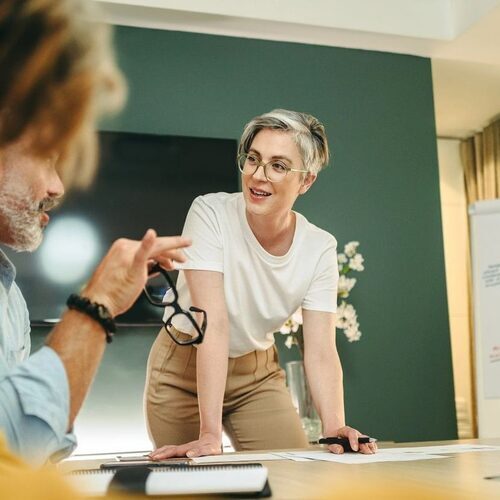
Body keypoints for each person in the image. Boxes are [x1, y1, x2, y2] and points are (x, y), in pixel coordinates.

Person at [0, 0, 191, 466]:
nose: (56, 186)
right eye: (47, 152)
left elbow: (41, 452)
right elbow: (12, 446)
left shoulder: (11, 299)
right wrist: (94, 304)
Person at [145, 109, 377, 459]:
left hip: (257, 375)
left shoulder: (319, 248)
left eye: (279, 165)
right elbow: (213, 321)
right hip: (183, 371)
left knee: (295, 477)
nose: (258, 175)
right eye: (253, 159)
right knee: (193, 486)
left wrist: (334, 428)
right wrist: (210, 435)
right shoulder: (210, 213)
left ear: (306, 181)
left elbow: (320, 349)